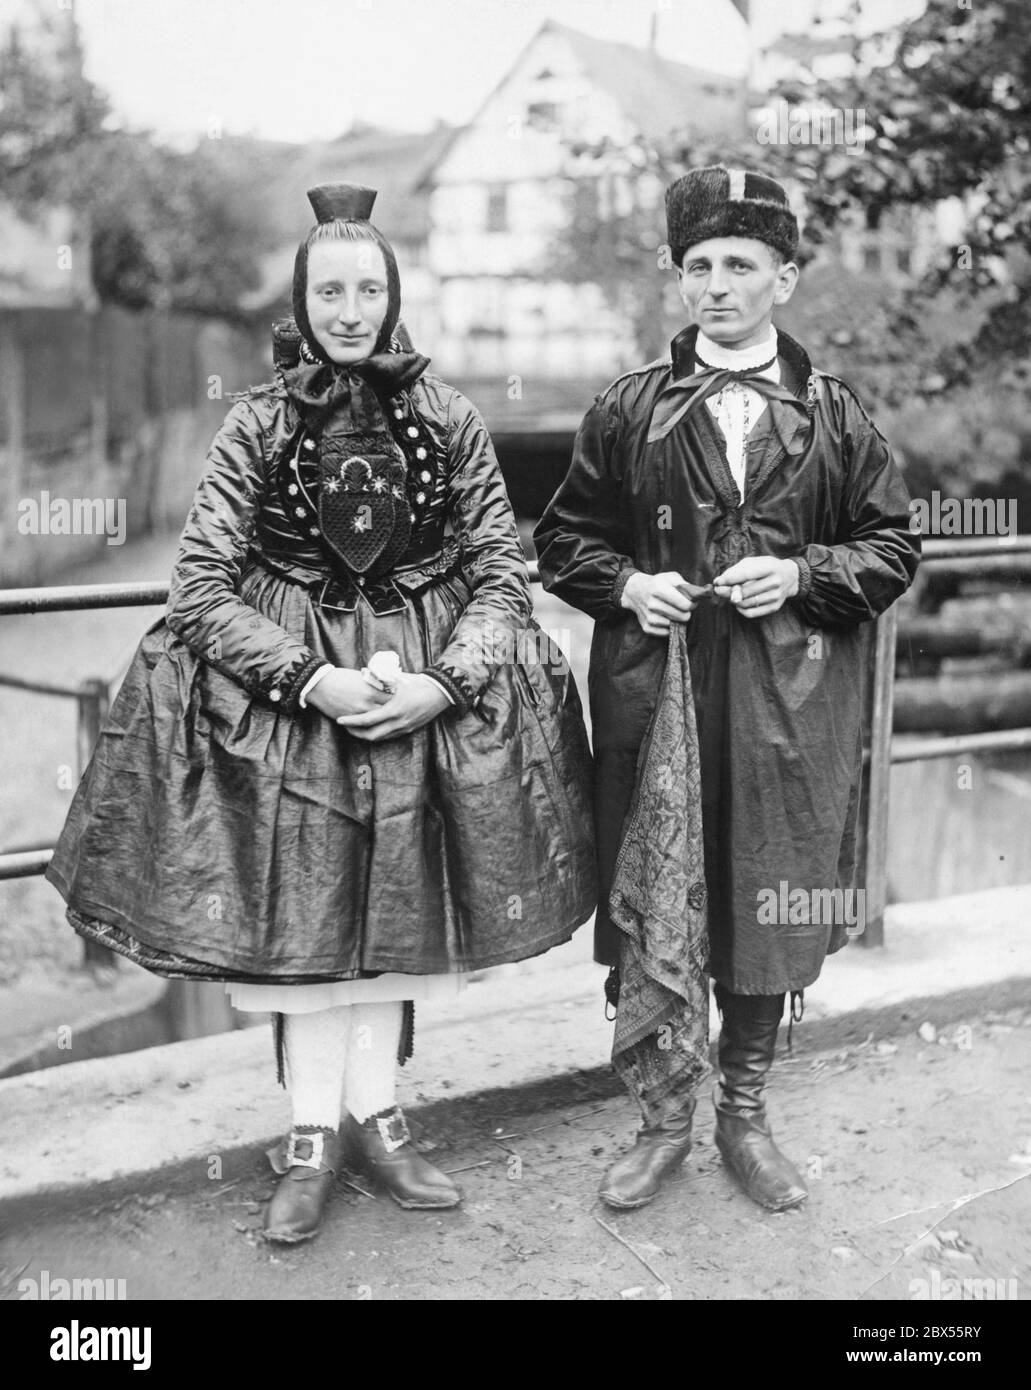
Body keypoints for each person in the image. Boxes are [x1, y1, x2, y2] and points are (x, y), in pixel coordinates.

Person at [47, 182, 595, 1243]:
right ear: (302, 302)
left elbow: (498, 568)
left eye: (369, 289)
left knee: (393, 912)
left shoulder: (449, 416)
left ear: (394, 299)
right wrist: (308, 677)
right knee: (303, 915)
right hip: (288, 712)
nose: (350, 309)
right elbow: (200, 586)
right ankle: (308, 1139)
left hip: (418, 699)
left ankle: (380, 1123)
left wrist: (448, 678)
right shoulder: (255, 422)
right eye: (330, 290)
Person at [534, 165, 920, 1213]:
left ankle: (742, 1113)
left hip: (786, 703)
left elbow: (890, 549)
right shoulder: (627, 410)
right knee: (658, 888)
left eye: (739, 266)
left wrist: (801, 574)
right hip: (652, 691)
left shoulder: (833, 415)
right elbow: (559, 539)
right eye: (696, 266)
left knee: (764, 889)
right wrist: (625, 582)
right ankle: (663, 1116)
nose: (714, 285)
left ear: (783, 279)